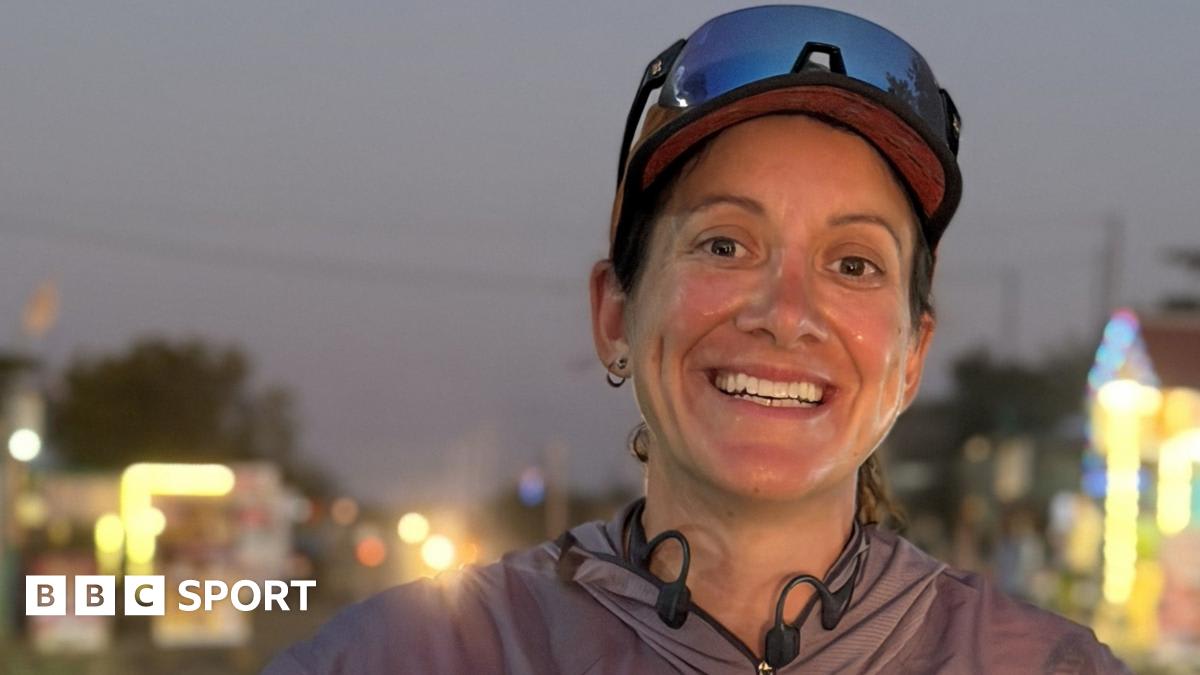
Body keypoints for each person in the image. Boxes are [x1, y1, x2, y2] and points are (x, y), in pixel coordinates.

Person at [265, 6, 1129, 673]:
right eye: (725, 244)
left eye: (855, 263)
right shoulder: (419, 654)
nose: (785, 313)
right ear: (614, 313)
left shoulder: (1037, 663)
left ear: (911, 357)